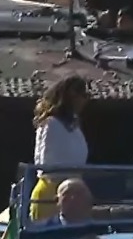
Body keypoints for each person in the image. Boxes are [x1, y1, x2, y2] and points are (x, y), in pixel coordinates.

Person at [30, 76, 90, 221]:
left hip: (74, 194)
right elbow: (46, 163)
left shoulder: (75, 128)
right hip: (52, 194)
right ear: (71, 96)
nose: (85, 100)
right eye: (82, 95)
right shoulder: (50, 124)